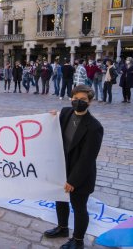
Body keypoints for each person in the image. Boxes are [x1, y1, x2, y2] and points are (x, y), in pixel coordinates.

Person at [44, 85, 103, 249]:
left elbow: (87, 159)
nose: (78, 102)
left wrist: (73, 180)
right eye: (75, 99)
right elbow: (53, 129)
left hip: (80, 175)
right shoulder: (65, 112)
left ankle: (78, 241)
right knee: (60, 201)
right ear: (71, 99)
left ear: (90, 102)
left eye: (83, 100)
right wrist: (50, 117)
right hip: (62, 169)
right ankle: (62, 228)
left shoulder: (94, 127)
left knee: (79, 207)